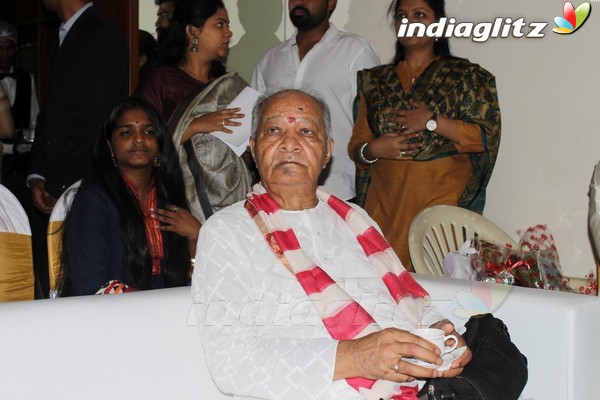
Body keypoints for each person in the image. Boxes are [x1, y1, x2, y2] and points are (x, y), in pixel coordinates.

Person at [192, 89, 471, 400]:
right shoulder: (228, 231)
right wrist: (354, 357)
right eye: (274, 130)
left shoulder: (355, 220)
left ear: (327, 151)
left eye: (306, 131)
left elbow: (410, 305)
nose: (289, 142)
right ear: (254, 149)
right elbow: (230, 364)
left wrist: (441, 330)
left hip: (415, 388)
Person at [348, 0, 501, 270]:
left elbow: (483, 137)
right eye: (402, 15)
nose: (409, 21)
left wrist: (432, 122)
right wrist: (374, 149)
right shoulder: (375, 81)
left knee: (437, 297)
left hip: (440, 216)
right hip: (385, 210)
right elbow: (357, 148)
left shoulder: (465, 77)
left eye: (420, 14)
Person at [26, 0, 129, 297]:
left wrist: (59, 183)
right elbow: (50, 114)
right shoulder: (66, 34)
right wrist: (37, 173)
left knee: (83, 283)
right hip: (60, 181)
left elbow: (94, 123)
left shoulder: (100, 35)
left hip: (86, 184)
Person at [59, 97, 200, 296]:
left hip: (166, 315)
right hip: (110, 317)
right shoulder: (92, 202)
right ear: (110, 147)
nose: (139, 139)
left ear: (159, 144)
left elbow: (193, 284)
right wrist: (154, 310)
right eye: (126, 132)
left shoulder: (168, 200)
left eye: (148, 132)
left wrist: (197, 236)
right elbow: (91, 284)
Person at [136, 0, 253, 223]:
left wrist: (249, 148)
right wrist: (196, 126)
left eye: (227, 25)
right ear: (192, 31)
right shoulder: (160, 80)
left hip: (229, 211)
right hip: (171, 207)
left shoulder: (230, 88)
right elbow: (141, 142)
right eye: (220, 25)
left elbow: (244, 160)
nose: (228, 33)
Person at [251, 0, 380, 201]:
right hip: (278, 193)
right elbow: (255, 127)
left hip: (341, 191)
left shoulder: (355, 51)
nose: (299, 2)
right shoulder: (269, 59)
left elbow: (373, 121)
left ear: (331, 3)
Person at [0, 21, 39, 201]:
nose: (4, 52)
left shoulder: (26, 78)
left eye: (9, 47)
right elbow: (6, 130)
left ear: (16, 49)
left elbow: (34, 118)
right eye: (0, 47)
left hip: (21, 162)